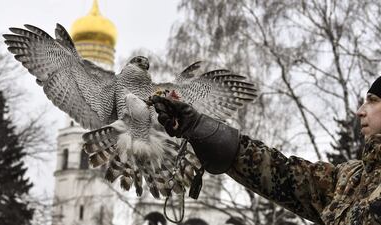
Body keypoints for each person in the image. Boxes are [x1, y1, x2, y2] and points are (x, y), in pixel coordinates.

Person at [150, 78, 381, 225]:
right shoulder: (350, 178)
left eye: (372, 101)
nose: (360, 111)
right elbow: (284, 175)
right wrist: (199, 128)